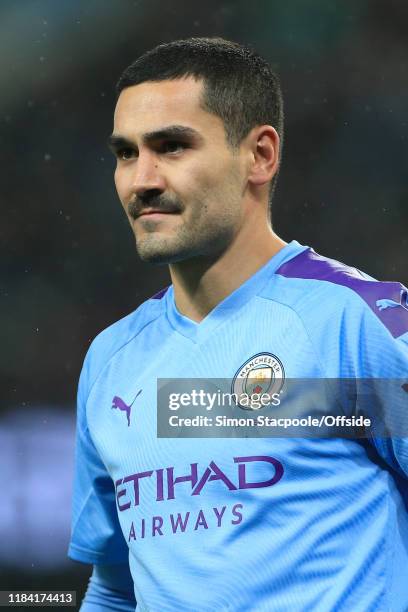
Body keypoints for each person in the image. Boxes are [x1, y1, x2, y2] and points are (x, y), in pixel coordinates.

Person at [67, 37, 408, 611]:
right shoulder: (110, 362)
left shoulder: (357, 323)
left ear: (261, 155)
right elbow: (116, 588)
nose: (141, 180)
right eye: (126, 154)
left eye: (171, 146)